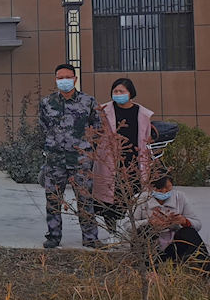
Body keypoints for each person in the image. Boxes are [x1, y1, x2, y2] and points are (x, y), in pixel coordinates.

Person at [39, 64, 102, 250]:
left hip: (80, 159)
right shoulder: (47, 102)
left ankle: (90, 237)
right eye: (60, 77)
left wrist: (86, 149)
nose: (64, 80)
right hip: (55, 159)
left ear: (75, 79)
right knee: (53, 199)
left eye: (68, 77)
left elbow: (97, 128)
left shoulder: (88, 101)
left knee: (85, 199)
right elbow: (44, 126)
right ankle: (53, 236)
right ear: (56, 79)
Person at [94, 78, 153, 244]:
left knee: (134, 200)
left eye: (122, 91)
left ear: (131, 93)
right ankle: (112, 233)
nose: (118, 95)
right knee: (110, 200)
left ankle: (133, 233)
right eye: (115, 91)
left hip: (134, 161)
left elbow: (146, 138)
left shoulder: (142, 113)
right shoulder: (103, 111)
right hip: (110, 162)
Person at [133, 174, 208, 273]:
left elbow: (198, 224)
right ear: (152, 187)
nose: (164, 192)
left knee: (189, 232)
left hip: (172, 244)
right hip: (151, 246)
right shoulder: (142, 198)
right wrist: (149, 222)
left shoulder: (179, 197)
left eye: (168, 188)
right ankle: (150, 270)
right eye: (159, 189)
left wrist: (184, 221)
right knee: (144, 231)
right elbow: (128, 225)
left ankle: (207, 269)